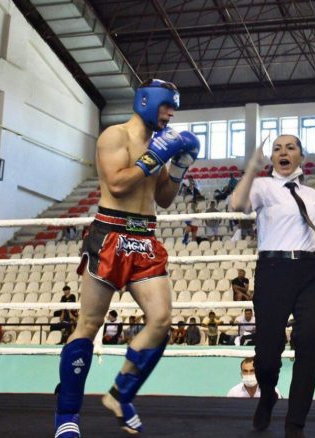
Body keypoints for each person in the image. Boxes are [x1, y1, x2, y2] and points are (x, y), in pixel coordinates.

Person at [53, 78, 200, 437]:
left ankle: (121, 393)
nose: (170, 114)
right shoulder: (114, 137)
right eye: (167, 106)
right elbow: (118, 184)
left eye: (173, 109)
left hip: (144, 238)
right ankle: (67, 415)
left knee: (162, 320)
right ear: (147, 101)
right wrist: (156, 156)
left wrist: (179, 166)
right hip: (110, 235)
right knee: (88, 325)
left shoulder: (157, 145)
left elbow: (163, 198)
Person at [229, 133, 315, 437]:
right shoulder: (262, 186)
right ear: (271, 157)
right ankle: (267, 393)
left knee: (310, 342)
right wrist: (251, 170)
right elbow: (236, 204)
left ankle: (295, 423)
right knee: (267, 354)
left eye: (290, 147)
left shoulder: (313, 196)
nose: (283, 152)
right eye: (277, 148)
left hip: (310, 272)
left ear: (300, 156)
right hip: (272, 270)